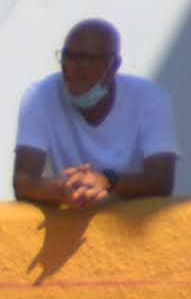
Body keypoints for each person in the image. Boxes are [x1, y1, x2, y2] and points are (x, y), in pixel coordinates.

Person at [13, 19, 179, 207]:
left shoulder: (150, 98)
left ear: (113, 66)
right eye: (67, 57)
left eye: (85, 59)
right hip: (68, 224)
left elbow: (162, 181)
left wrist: (107, 182)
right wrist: (64, 190)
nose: (72, 68)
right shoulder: (39, 96)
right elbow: (23, 181)